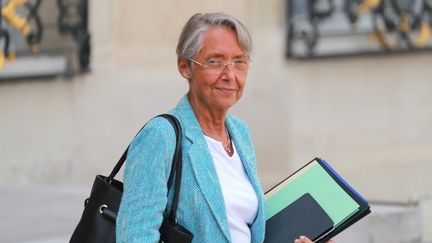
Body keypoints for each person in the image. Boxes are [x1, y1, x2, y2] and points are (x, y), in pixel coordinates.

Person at [116, 12, 334, 243]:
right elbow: (135, 235)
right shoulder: (160, 136)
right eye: (214, 62)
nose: (230, 75)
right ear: (185, 67)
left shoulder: (240, 133)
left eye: (239, 62)